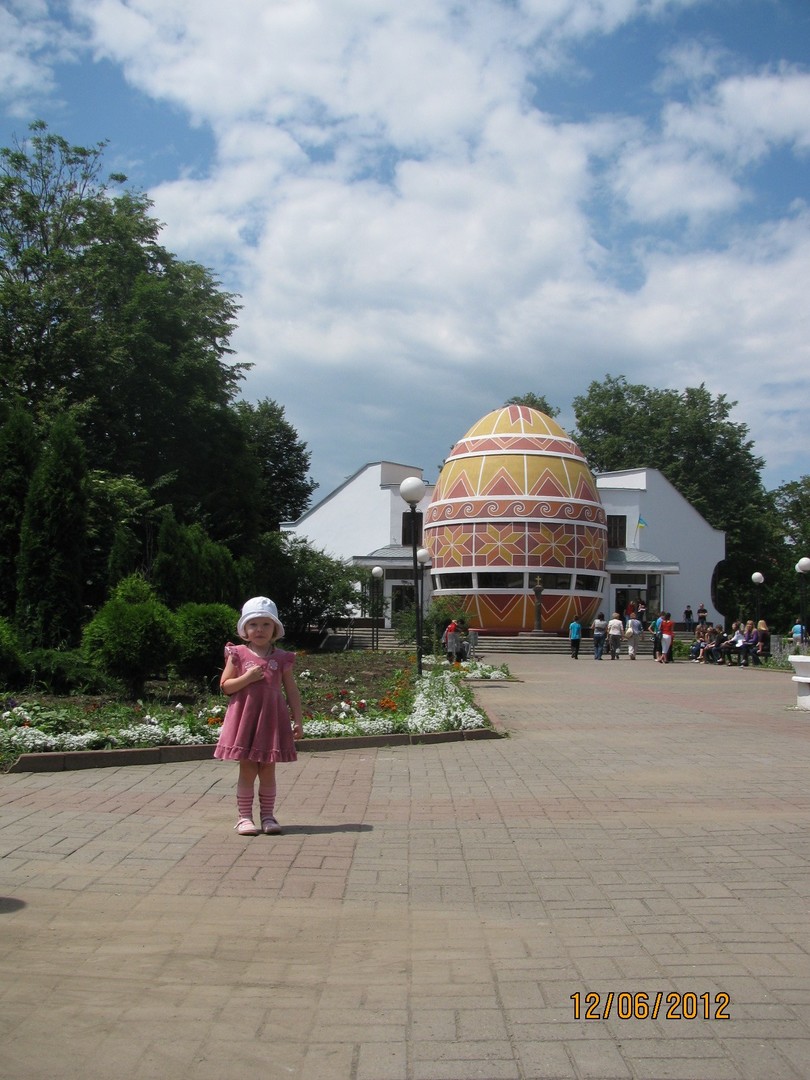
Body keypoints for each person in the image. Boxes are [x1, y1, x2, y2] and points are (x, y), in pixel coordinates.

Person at [214, 597, 303, 836]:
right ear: (245, 628)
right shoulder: (238, 654)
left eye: (266, 624)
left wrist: (298, 720)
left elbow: (292, 691)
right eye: (253, 624)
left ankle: (268, 816)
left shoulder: (281, 658)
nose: (259, 629)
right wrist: (247, 678)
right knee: (247, 768)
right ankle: (244, 817)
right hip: (245, 718)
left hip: (270, 720)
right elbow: (226, 686)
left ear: (275, 628)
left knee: (267, 769)